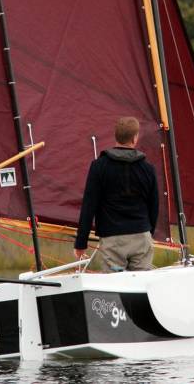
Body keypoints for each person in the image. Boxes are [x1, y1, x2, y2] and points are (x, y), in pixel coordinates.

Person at [73, 116, 158, 272]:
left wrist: (81, 243)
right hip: (141, 235)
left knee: (115, 288)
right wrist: (148, 232)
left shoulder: (99, 166)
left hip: (112, 240)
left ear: (116, 137)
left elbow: (89, 206)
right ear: (134, 138)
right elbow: (154, 207)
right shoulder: (148, 169)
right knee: (141, 287)